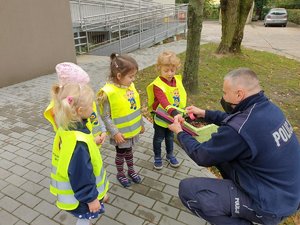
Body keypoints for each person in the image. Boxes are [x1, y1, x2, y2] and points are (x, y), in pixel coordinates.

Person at [168, 68, 300, 225]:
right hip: (288, 192)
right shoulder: (269, 109)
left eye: (224, 93)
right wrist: (205, 113)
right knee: (223, 157)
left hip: (270, 205)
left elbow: (202, 155)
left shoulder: (240, 130)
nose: (223, 97)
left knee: (189, 191)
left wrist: (180, 132)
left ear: (239, 94)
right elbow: (237, 121)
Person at [49, 83, 109, 225]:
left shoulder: (67, 126)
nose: (93, 108)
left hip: (76, 194)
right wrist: (91, 198)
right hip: (80, 198)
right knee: (84, 218)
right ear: (80, 110)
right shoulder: (78, 143)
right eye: (91, 105)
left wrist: (92, 140)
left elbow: (73, 150)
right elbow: (81, 173)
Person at [97, 53, 144, 188]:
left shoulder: (130, 86)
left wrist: (140, 124)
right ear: (119, 76)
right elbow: (105, 116)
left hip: (131, 130)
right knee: (121, 153)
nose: (133, 79)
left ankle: (131, 170)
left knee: (129, 152)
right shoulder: (109, 92)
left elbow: (135, 107)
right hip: (120, 134)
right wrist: (115, 132)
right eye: (131, 76)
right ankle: (120, 173)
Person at [44, 62, 107, 145]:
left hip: (93, 145)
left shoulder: (85, 100)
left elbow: (95, 115)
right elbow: (72, 142)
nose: (86, 90)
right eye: (84, 87)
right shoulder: (63, 111)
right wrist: (92, 142)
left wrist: (103, 130)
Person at [146, 50, 187, 169]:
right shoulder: (157, 85)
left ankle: (170, 155)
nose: (170, 73)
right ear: (159, 68)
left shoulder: (177, 81)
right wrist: (174, 113)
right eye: (166, 70)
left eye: (172, 70)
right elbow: (163, 101)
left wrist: (183, 111)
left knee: (170, 137)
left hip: (173, 117)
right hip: (161, 117)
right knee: (158, 138)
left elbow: (180, 96)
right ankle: (157, 157)